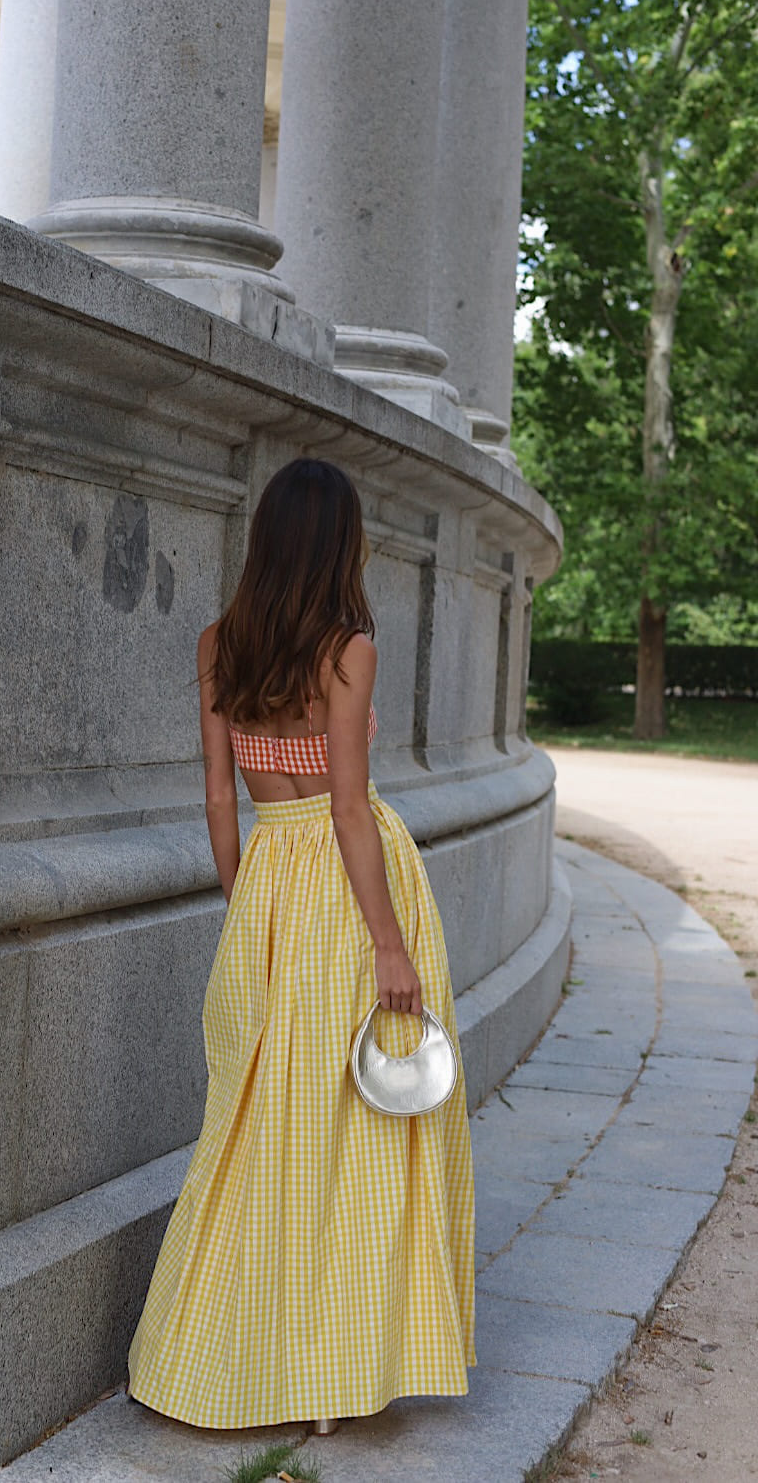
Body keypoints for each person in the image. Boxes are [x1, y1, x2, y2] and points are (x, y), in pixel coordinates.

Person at [127, 457, 476, 1433]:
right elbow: (353, 807)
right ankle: (333, 1372)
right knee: (359, 1126)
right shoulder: (348, 650)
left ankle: (219, 1360)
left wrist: (248, 908)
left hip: (271, 886)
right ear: (340, 544)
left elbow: (214, 798)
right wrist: (391, 946)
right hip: (350, 886)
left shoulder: (215, 644)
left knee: (252, 1123)